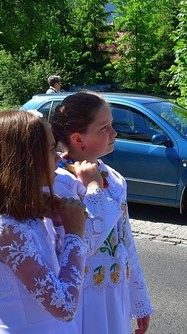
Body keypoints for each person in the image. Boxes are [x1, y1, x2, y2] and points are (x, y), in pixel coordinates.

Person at [0, 110, 89, 334]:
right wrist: (74, 233)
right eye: (51, 150)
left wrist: (59, 224)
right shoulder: (7, 228)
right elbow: (64, 306)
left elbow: (55, 271)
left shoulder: (14, 214)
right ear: (27, 160)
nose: (58, 157)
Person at [50, 92, 153, 334]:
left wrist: (140, 301)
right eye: (104, 128)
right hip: (83, 294)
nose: (114, 133)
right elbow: (84, 242)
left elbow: (126, 241)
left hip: (115, 290)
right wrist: (92, 189)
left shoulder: (115, 178)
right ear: (78, 139)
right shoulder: (60, 183)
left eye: (112, 125)